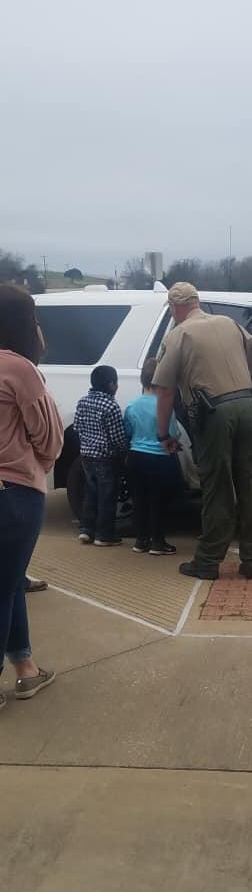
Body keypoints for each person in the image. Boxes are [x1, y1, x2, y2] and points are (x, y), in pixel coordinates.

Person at [153, 282, 252, 580]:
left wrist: (163, 434)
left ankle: (207, 562)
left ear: (174, 307)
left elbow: (165, 391)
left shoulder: (178, 335)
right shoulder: (228, 323)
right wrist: (245, 386)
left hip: (214, 413)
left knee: (217, 488)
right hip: (248, 405)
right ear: (197, 301)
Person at [0, 284, 63, 710]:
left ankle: (25, 667)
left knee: (8, 583)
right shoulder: (17, 368)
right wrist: (38, 461)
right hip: (13, 494)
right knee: (2, 586)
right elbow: (50, 439)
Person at [124, 357, 178, 556]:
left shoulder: (132, 405)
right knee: (158, 501)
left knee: (139, 500)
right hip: (159, 458)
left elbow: (127, 430)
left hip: (136, 457)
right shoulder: (165, 407)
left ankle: (140, 540)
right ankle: (158, 542)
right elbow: (173, 432)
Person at [73, 365, 127, 546]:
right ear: (111, 384)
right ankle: (104, 535)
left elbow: (76, 427)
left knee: (91, 492)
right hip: (106, 458)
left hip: (86, 456)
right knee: (107, 496)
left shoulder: (82, 401)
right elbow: (118, 437)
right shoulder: (111, 406)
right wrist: (124, 451)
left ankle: (86, 530)